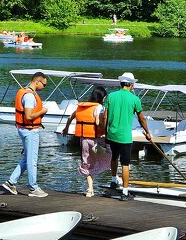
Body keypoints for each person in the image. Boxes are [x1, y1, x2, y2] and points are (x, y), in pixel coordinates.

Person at [104, 72, 152, 200]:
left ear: (121, 83)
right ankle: (125, 192)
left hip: (112, 134)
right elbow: (141, 119)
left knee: (114, 157)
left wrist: (105, 133)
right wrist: (148, 132)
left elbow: (105, 117)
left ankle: (113, 180)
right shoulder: (135, 99)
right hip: (125, 137)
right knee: (125, 164)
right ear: (131, 84)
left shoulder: (111, 96)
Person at [2, 71, 49, 197]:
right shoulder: (29, 96)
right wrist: (43, 111)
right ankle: (33, 188)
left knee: (27, 158)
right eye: (44, 84)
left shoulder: (25, 92)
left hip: (23, 129)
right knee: (32, 161)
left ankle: (11, 182)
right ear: (37, 82)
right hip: (30, 131)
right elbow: (28, 116)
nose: (44, 87)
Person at [63, 86, 110, 197]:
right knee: (110, 155)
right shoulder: (99, 107)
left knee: (87, 164)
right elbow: (98, 123)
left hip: (84, 140)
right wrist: (105, 130)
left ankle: (90, 189)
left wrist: (66, 128)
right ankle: (115, 177)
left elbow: (70, 117)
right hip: (95, 141)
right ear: (102, 97)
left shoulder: (82, 107)